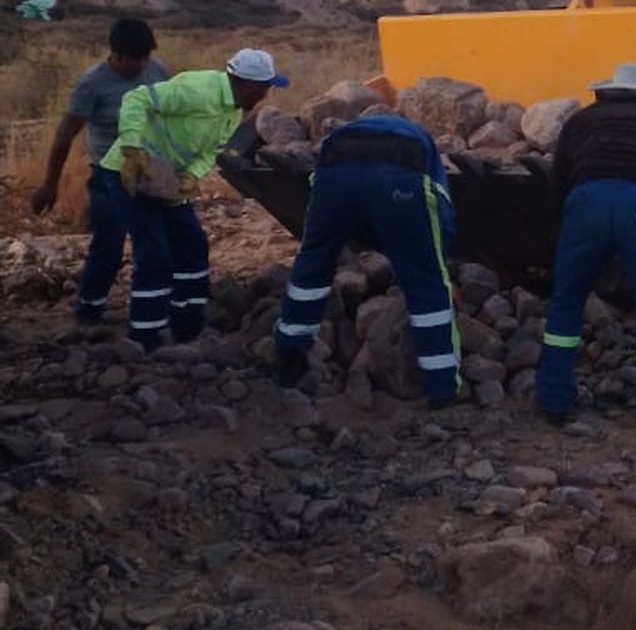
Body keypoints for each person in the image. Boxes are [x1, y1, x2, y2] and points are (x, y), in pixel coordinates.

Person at [535, 62, 636, 432]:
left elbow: (558, 179)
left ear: (606, 91)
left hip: (585, 202)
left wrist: (573, 228)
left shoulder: (580, 121)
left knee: (566, 303)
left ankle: (554, 401)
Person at [100, 48, 289, 350]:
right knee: (154, 254)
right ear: (247, 84)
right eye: (265, 87)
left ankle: (186, 326)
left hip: (166, 180)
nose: (266, 95)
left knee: (193, 245)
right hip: (130, 174)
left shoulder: (233, 111)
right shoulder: (197, 90)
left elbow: (209, 151)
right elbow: (136, 99)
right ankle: (144, 338)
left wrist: (192, 176)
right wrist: (132, 148)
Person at [271, 111, 461, 399]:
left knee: (313, 262)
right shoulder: (425, 151)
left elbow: (326, 198)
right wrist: (437, 265)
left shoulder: (347, 135)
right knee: (427, 284)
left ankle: (288, 357)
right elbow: (439, 217)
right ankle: (442, 388)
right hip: (399, 173)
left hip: (334, 173)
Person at [31, 17, 168, 328]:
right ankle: (88, 310)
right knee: (108, 244)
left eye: (146, 56)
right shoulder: (92, 84)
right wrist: (49, 185)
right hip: (110, 174)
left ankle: (151, 311)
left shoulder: (156, 70)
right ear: (117, 55)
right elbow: (64, 136)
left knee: (155, 242)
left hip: (152, 170)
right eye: (135, 58)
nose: (142, 64)